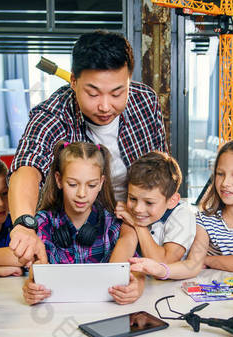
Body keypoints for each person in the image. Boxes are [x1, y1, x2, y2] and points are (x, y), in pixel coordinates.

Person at [9, 30, 168, 267]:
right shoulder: (53, 115)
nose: (105, 106)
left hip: (143, 225)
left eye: (117, 92)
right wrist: (24, 223)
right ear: (73, 81)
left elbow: (162, 170)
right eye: (93, 93)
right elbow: (28, 167)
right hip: (83, 234)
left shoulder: (145, 101)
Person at [129, 138, 233, 280]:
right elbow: (193, 264)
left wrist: (208, 260)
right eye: (220, 174)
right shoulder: (205, 219)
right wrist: (162, 270)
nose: (225, 183)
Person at [22, 142, 143, 305]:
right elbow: (36, 270)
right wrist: (32, 287)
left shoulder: (112, 225)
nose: (82, 194)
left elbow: (135, 269)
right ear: (59, 180)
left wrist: (137, 286)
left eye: (91, 185)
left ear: (101, 183)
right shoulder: (43, 222)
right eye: (72, 184)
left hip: (105, 312)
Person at [109, 151, 196, 264]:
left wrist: (137, 225)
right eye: (132, 199)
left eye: (149, 203)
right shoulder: (131, 213)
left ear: (172, 201)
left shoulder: (183, 215)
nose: (137, 209)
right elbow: (117, 266)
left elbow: (164, 263)